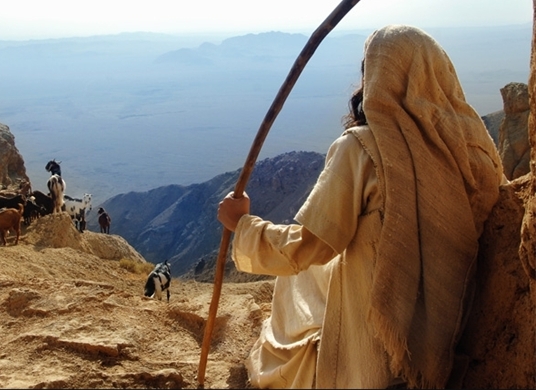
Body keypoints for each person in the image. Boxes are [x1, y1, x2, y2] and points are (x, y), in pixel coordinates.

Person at [217, 24, 507, 389]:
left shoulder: (362, 149)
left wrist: (243, 225)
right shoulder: (475, 149)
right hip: (448, 319)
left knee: (297, 284)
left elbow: (308, 247)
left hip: (380, 339)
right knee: (311, 280)